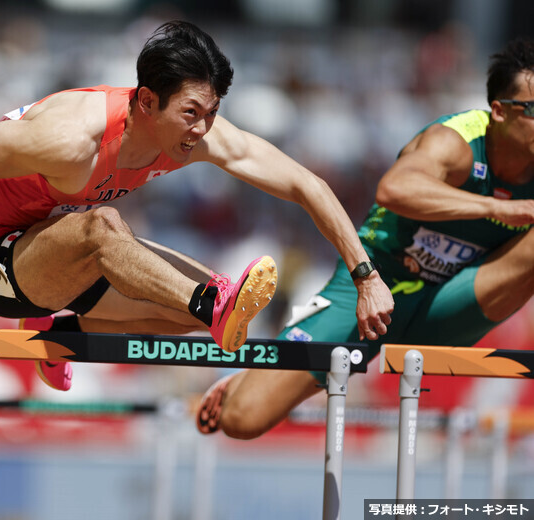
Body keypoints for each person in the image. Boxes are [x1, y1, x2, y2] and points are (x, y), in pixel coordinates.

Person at [0, 21, 394, 392]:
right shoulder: (67, 139)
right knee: (105, 227)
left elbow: (304, 184)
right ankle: (211, 302)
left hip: (66, 253)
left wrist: (366, 276)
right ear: (147, 101)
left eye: (212, 114)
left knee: (200, 313)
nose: (203, 130)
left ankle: (59, 333)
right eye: (191, 114)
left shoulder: (195, 132)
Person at [196, 37, 534, 439]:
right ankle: (240, 384)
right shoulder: (457, 142)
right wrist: (500, 208)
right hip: (372, 291)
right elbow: (395, 190)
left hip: (452, 303)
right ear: (499, 111)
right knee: (241, 421)